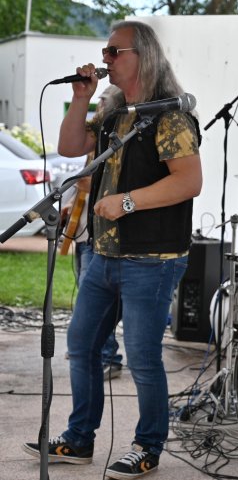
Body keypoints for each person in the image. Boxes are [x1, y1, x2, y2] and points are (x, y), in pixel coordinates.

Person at [23, 20, 202, 479]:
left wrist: (127, 201)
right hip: (104, 254)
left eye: (113, 51)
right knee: (82, 345)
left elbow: (188, 181)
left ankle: (148, 446)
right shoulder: (114, 113)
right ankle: (80, 439)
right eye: (104, 51)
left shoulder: (170, 117)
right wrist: (81, 98)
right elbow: (69, 146)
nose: (104, 59)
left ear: (143, 57)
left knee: (142, 357)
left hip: (152, 259)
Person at [61, 86, 125, 380]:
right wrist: (72, 205)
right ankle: (89, 347)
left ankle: (108, 356)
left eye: (102, 103)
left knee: (96, 301)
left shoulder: (117, 141)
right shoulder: (97, 141)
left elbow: (104, 187)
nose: (98, 109)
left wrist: (89, 185)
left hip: (100, 238)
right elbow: (84, 185)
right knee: (85, 294)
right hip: (84, 234)